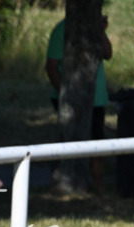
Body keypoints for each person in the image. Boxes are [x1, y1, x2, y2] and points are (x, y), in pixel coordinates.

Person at [45, 13, 112, 189]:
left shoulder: (94, 29)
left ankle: (98, 184)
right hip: (70, 99)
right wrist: (66, 95)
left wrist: (101, 32)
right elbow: (51, 66)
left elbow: (108, 53)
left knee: (97, 142)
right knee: (71, 139)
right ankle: (66, 179)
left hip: (96, 99)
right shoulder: (61, 30)